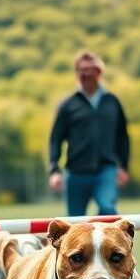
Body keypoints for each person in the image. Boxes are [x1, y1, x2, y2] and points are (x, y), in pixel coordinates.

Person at [48, 51, 130, 217]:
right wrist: (54, 170)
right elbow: (55, 139)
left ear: (99, 72)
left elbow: (122, 137)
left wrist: (124, 166)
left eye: (89, 70)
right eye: (81, 70)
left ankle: (104, 242)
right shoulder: (68, 105)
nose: (85, 74)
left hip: (106, 171)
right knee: (75, 225)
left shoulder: (112, 102)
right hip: (76, 173)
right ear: (76, 74)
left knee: (108, 211)